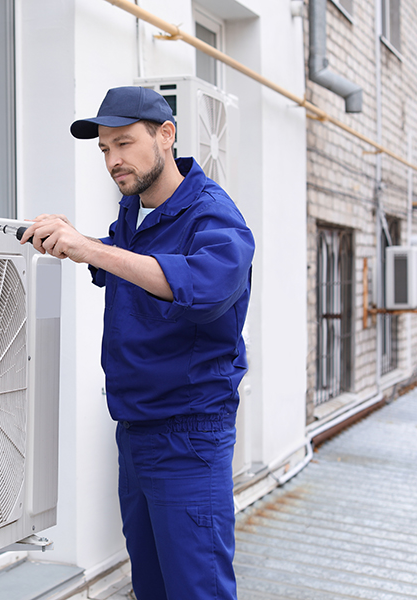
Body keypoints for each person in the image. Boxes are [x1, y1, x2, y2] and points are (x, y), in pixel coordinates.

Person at [20, 86, 254, 600]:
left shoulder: (214, 216)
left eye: (124, 143)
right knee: (149, 586)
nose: (113, 160)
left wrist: (92, 250)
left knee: (198, 590)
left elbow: (205, 285)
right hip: (136, 429)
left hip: (189, 434)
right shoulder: (136, 211)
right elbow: (127, 264)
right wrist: (77, 241)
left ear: (165, 135)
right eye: (104, 149)